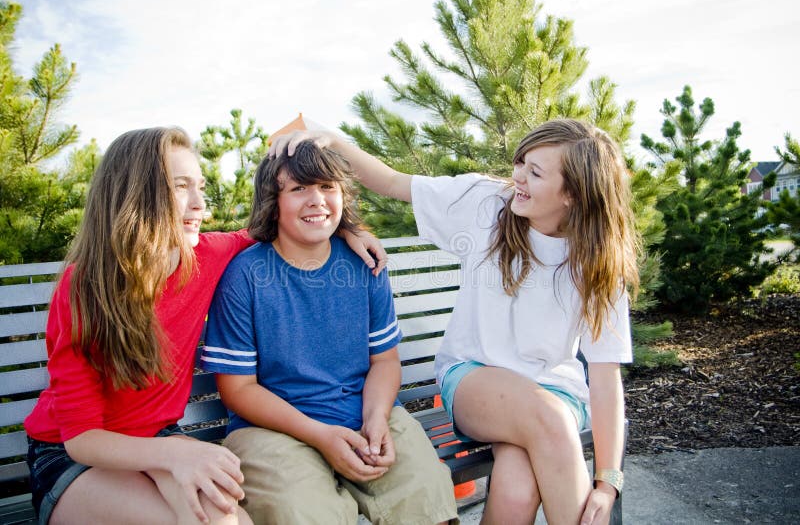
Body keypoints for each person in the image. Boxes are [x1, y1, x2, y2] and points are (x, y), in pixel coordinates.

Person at [270, 119, 640, 525]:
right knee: (547, 421)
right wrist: (330, 140)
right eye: (521, 163)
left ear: (573, 193)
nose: (517, 176)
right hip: (474, 378)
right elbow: (393, 182)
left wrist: (607, 483)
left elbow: (605, 377)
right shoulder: (486, 205)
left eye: (535, 172)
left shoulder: (599, 263)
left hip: (555, 393)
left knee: (517, 490)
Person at [23, 126, 387, 525]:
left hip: (159, 441)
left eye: (200, 187)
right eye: (181, 187)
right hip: (76, 457)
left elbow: (290, 225)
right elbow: (81, 438)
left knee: (231, 522)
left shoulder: (204, 255)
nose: (200, 206)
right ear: (133, 194)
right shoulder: (85, 288)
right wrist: (179, 453)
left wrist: (351, 227)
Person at [200, 141, 458, 524]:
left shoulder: (363, 264)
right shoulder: (246, 276)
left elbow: (384, 361)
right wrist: (321, 436)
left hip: (363, 411)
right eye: (298, 189)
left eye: (327, 187)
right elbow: (238, 389)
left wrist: (376, 419)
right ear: (274, 200)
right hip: (274, 429)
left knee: (422, 489)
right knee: (299, 509)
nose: (315, 200)